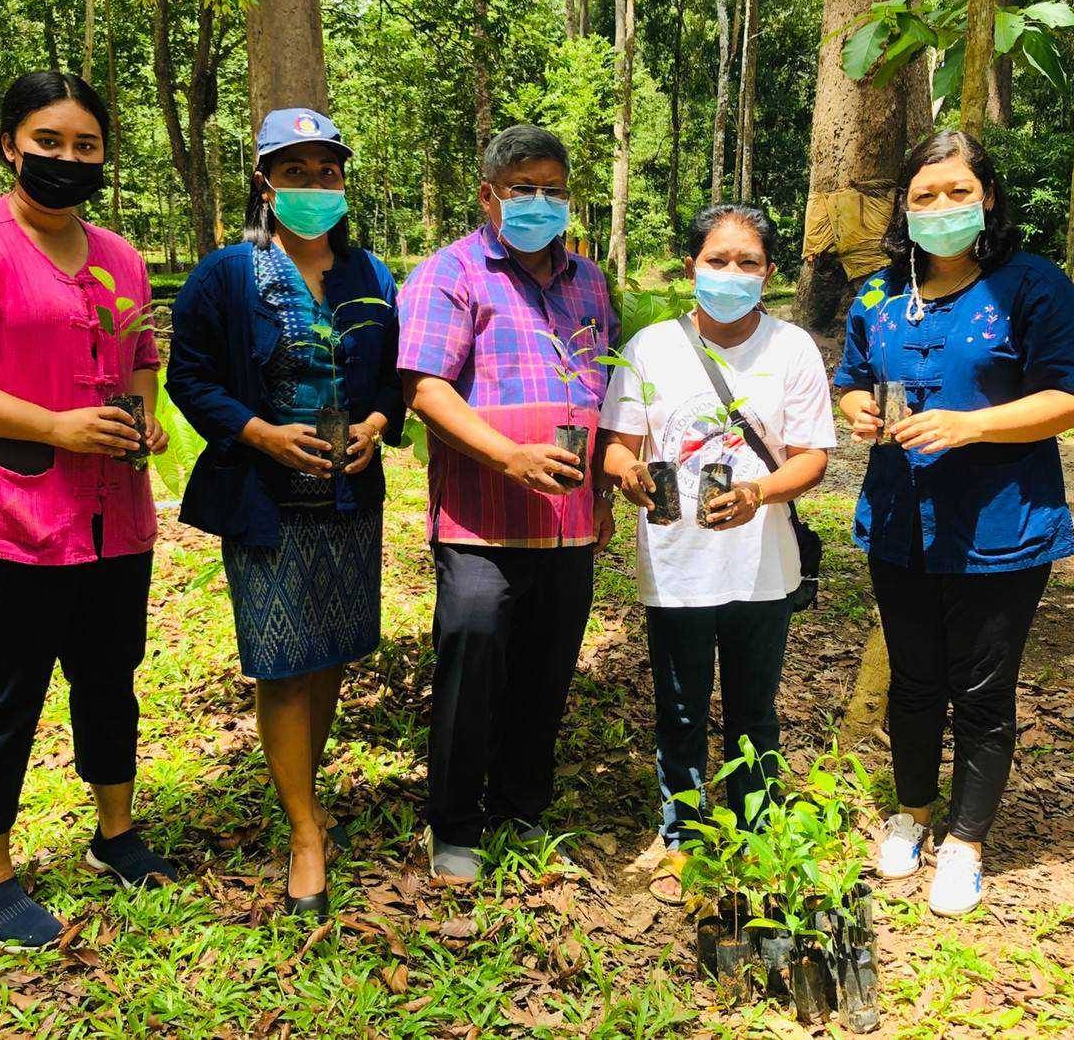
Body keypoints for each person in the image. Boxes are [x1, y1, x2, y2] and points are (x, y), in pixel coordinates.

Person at [0, 71, 177, 952]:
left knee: (109, 673)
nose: (65, 159)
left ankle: (114, 833)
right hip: (6, 507)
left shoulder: (120, 255)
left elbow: (139, 352)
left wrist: (142, 416)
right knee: (11, 690)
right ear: (11, 144)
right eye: (48, 141)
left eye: (85, 146)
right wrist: (54, 424)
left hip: (110, 509)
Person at [833, 129, 1074, 917]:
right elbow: (851, 380)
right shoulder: (879, 294)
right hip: (899, 522)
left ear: (987, 199)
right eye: (924, 195)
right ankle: (912, 814)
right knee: (914, 680)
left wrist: (967, 426)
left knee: (982, 690)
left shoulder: (1032, 287)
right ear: (903, 208)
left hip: (1001, 526)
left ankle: (966, 843)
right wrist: (858, 413)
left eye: (957, 191)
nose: (941, 207)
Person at [166, 108, 403, 920]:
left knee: (330, 648)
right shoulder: (227, 274)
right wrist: (259, 432)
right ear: (265, 181)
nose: (313, 186)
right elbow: (189, 378)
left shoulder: (371, 273)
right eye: (295, 171)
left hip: (346, 498)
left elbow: (391, 375)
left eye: (326, 171)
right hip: (267, 499)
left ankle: (306, 784)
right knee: (279, 658)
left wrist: (374, 425)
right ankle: (305, 830)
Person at [397, 124, 618, 882]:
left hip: (569, 524)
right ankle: (454, 825)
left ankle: (521, 810)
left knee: (547, 671)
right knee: (472, 670)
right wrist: (511, 456)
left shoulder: (589, 280)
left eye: (554, 188)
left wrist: (605, 490)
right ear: (489, 194)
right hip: (481, 525)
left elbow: (598, 389)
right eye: (524, 188)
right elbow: (425, 389)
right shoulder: (449, 274)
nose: (541, 201)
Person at [598, 205, 834, 904]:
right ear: (691, 266)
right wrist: (625, 473)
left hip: (763, 565)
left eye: (749, 262)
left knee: (754, 708)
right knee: (679, 704)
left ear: (769, 272)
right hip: (676, 561)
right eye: (718, 260)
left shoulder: (791, 349)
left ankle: (756, 828)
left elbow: (813, 457)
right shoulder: (650, 349)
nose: (732, 274)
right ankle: (682, 833)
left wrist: (759, 491)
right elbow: (618, 439)